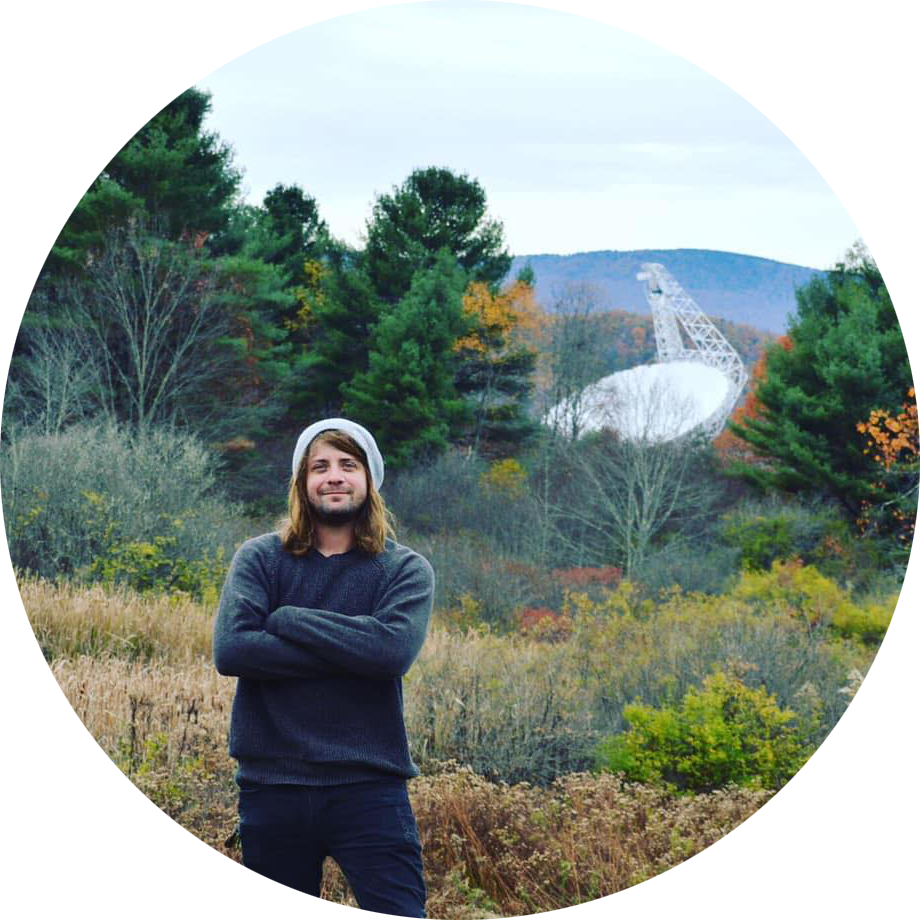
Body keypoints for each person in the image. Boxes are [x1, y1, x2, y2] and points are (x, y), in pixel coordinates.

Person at [213, 417, 434, 917]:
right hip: (275, 786)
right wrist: (353, 648)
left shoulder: (404, 570)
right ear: (302, 482)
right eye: (320, 466)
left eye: (348, 465)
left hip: (370, 786)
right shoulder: (261, 560)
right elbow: (233, 651)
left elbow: (391, 652)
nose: (334, 476)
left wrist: (288, 619)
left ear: (369, 481)